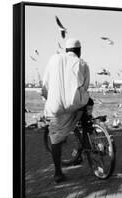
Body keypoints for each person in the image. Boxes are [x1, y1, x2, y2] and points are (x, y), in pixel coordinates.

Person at [41, 38, 92, 183]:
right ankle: (85, 142)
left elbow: (45, 85)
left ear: (66, 50)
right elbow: (85, 86)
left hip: (55, 107)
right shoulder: (82, 63)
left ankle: (58, 173)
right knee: (85, 106)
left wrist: (48, 98)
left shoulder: (53, 59)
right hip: (74, 105)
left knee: (55, 139)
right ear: (79, 51)